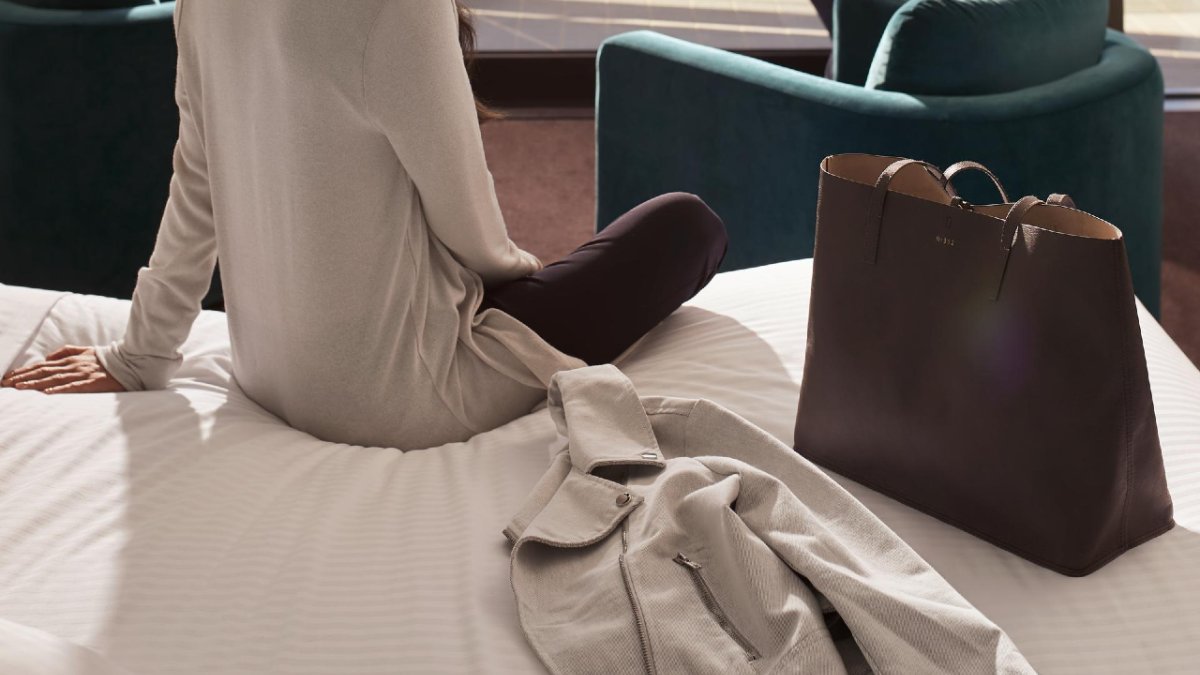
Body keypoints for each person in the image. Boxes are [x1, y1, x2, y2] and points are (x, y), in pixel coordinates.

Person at [0, 1, 728, 450]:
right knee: (687, 225)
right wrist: (524, 284)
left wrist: (140, 353)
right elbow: (469, 226)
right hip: (398, 396)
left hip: (269, 369)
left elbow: (198, 181)